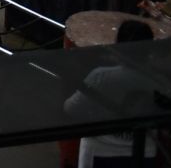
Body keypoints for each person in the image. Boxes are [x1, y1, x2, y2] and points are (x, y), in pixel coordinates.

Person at [64, 18, 164, 168]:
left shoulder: (101, 76)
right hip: (143, 154)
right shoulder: (159, 81)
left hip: (100, 152)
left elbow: (71, 108)